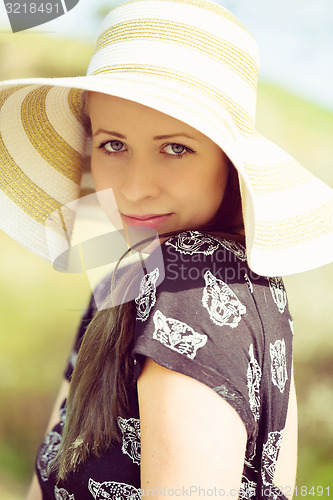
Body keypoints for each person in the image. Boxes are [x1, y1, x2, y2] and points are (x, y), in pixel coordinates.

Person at [0, 0, 332, 499]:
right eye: (114, 145)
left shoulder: (190, 284)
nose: (134, 189)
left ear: (231, 163)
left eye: (176, 148)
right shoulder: (133, 260)